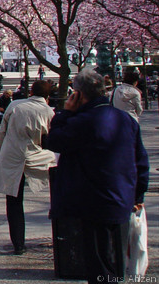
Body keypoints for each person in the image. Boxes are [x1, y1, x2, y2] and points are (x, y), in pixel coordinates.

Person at [47, 69, 149, 282]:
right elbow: (141, 160)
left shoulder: (83, 121)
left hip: (91, 199)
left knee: (98, 262)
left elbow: (55, 141)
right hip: (122, 194)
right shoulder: (126, 120)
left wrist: (65, 113)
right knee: (113, 256)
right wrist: (138, 195)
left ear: (78, 94)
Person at [0, 80, 56, 255]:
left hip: (12, 155)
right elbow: (49, 138)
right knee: (54, 187)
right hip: (36, 156)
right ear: (47, 96)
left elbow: (2, 132)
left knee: (13, 200)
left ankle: (18, 242)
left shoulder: (15, 106)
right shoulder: (48, 112)